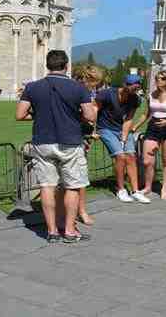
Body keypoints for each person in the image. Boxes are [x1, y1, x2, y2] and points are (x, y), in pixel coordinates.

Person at [16, 50, 96, 243]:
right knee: (73, 186)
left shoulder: (33, 87)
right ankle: (69, 230)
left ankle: (51, 231)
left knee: (47, 186)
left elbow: (20, 115)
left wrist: (39, 115)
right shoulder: (78, 88)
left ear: (47, 65)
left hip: (42, 141)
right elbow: (90, 116)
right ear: (66, 65)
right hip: (70, 141)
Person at [95, 74, 150, 204]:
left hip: (122, 128)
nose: (135, 90)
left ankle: (135, 191)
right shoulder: (106, 94)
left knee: (131, 156)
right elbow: (94, 109)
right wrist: (93, 130)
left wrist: (124, 138)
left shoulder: (135, 99)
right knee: (120, 156)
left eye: (137, 87)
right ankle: (121, 189)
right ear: (125, 85)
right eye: (132, 86)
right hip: (105, 128)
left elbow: (129, 118)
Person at [133, 71, 166, 200]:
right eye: (156, 79)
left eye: (161, 79)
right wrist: (135, 126)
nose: (158, 81)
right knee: (147, 160)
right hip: (153, 127)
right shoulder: (152, 95)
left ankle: (164, 189)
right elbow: (146, 114)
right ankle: (148, 186)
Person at [71, 65, 104, 225]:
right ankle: (80, 211)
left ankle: (79, 210)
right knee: (80, 179)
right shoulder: (79, 91)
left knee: (77, 178)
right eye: (95, 83)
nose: (96, 86)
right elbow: (84, 116)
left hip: (83, 135)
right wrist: (89, 133)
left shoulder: (86, 92)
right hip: (76, 136)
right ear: (89, 79)